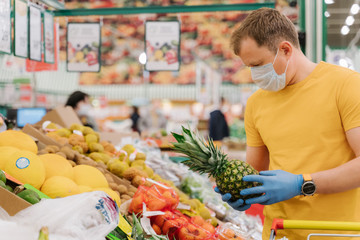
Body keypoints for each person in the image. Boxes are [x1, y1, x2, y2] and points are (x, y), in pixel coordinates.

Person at [214, 8, 360, 240]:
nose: (254, 75)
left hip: (336, 234)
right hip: (278, 233)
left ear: (285, 49)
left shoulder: (346, 85)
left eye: (258, 64)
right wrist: (242, 194)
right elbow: (256, 173)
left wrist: (302, 184)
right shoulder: (256, 103)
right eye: (249, 67)